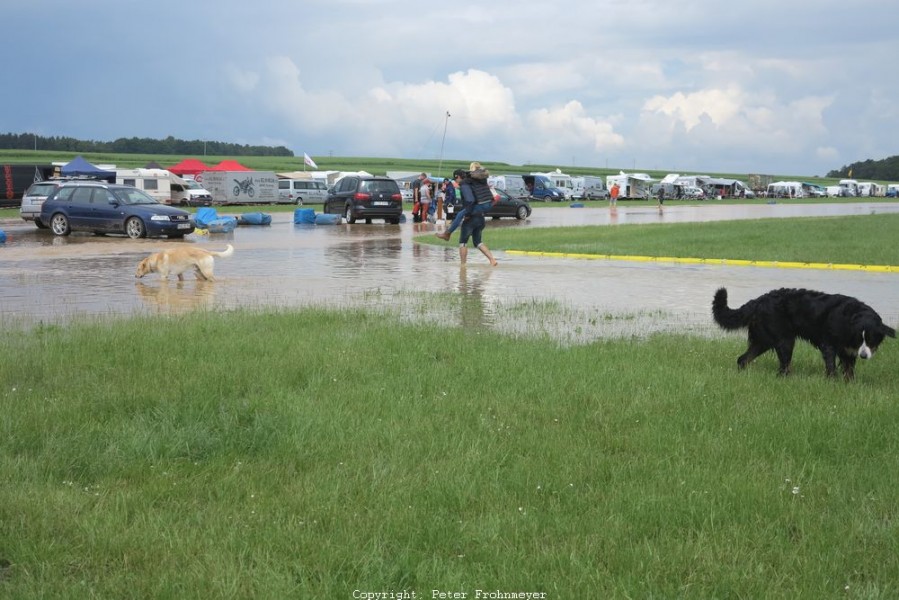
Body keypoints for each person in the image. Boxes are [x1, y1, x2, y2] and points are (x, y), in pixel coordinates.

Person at [436, 163, 492, 241]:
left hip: (481, 204)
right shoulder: (481, 179)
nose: (455, 182)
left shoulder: (465, 182)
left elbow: (469, 200)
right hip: (488, 202)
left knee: (460, 215)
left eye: (455, 179)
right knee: (472, 217)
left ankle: (447, 234)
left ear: (458, 177)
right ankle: (473, 231)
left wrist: (467, 213)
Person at [455, 165, 498, 266]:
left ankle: (463, 265)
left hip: (471, 218)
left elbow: (469, 202)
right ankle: (492, 260)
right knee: (478, 242)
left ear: (459, 177)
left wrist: (467, 214)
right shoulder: (478, 184)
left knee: (463, 242)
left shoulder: (466, 186)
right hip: (480, 218)